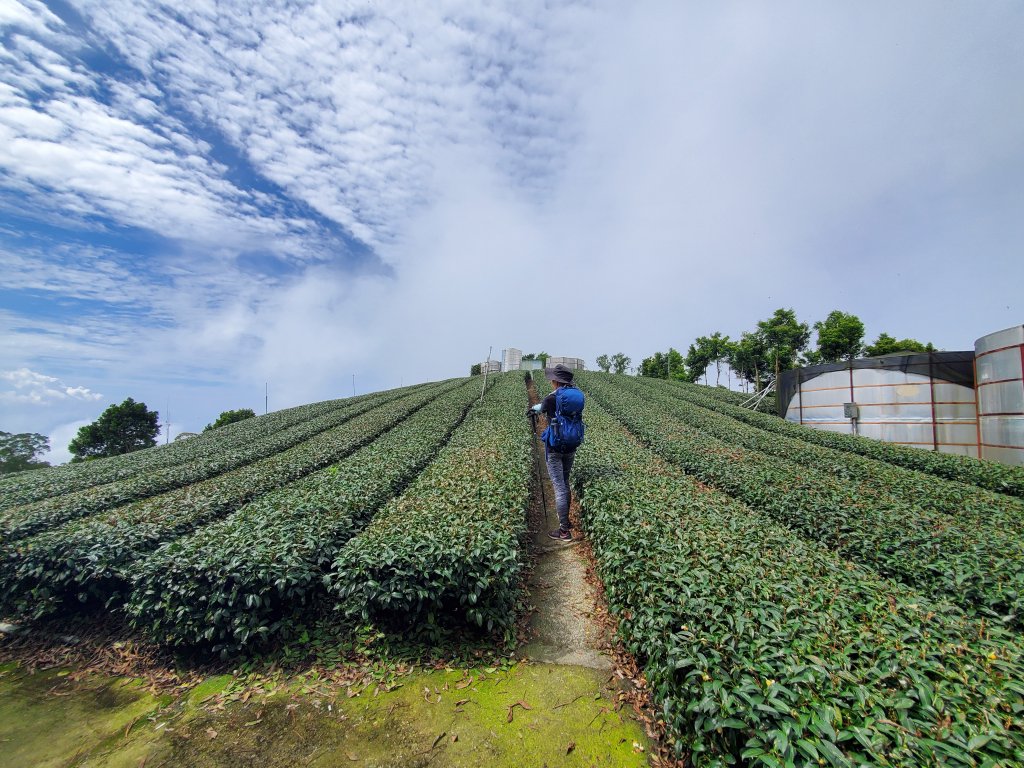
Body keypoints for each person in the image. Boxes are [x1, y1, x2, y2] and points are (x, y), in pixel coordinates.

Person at [528, 363, 584, 542]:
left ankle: (564, 531)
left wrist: (533, 410)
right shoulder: (575, 396)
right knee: (565, 483)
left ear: (556, 381)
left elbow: (542, 407)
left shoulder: (552, 398)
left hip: (554, 448)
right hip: (571, 445)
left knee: (558, 487)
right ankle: (566, 522)